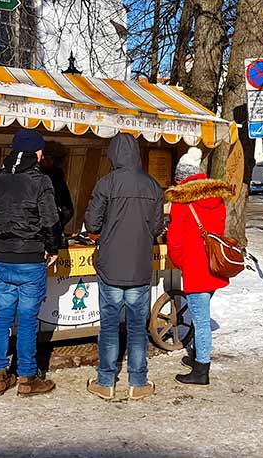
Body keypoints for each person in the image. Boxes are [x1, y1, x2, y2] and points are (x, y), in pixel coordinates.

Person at [0, 129, 59, 397]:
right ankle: (26, 377)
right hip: (30, 260)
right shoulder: (41, 182)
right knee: (26, 320)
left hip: (2, 260)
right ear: (36, 154)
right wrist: (52, 248)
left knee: (2, 317)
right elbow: (50, 221)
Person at [84, 134, 164, 401]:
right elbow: (156, 228)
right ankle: (138, 382)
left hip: (109, 266)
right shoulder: (153, 186)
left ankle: (105, 382)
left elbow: (92, 224)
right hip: (139, 267)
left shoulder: (106, 184)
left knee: (108, 326)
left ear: (114, 155)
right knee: (137, 327)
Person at [164, 147, 232, 386]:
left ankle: (201, 370)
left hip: (195, 268)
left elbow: (174, 241)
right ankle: (196, 355)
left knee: (201, 320)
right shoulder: (217, 199)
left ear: (182, 178)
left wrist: (181, 261)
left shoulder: (183, 202)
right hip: (213, 266)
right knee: (200, 314)